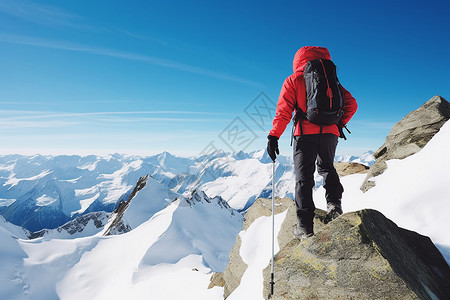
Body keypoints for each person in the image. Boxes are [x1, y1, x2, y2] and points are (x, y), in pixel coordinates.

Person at [267, 46, 358, 239]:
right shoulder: (332, 81)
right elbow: (352, 104)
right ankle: (334, 205)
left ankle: (305, 227)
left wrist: (273, 136)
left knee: (304, 178)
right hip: (330, 134)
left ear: (298, 60)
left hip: (304, 134)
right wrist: (338, 124)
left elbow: (283, 112)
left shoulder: (294, 80)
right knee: (327, 168)